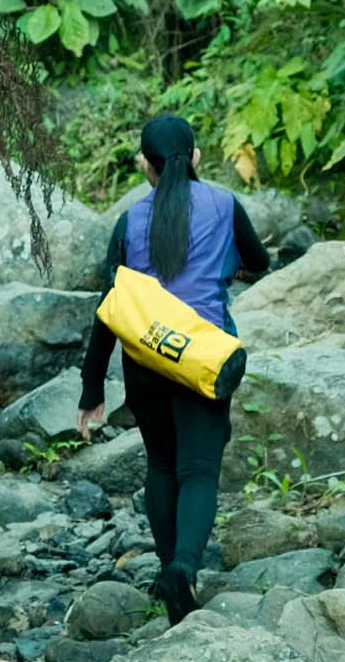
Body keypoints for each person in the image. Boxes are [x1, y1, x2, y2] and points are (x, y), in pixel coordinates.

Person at [77, 116, 273, 623]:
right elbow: (260, 260)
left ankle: (170, 574)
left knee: (162, 467)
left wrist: (91, 387)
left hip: (144, 361)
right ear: (197, 158)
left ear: (146, 165)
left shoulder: (131, 221)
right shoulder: (224, 205)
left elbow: (109, 306)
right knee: (200, 471)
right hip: (202, 359)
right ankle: (184, 570)